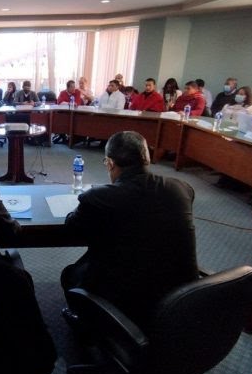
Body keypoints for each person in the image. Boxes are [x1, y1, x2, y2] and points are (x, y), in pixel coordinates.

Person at [60, 131, 198, 326]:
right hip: (180, 297)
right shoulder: (181, 189)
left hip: (129, 301)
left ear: (110, 163)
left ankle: (88, 324)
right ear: (146, 158)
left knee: (69, 275)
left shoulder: (98, 197)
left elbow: (71, 229)